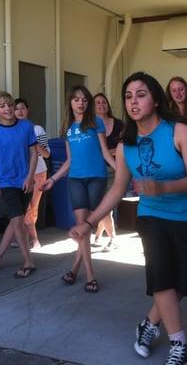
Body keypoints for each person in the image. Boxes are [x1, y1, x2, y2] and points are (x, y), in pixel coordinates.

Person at [69, 72, 187, 365]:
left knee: (181, 283)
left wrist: (162, 187)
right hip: (153, 215)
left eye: (141, 94)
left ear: (156, 99)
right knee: (162, 279)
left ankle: (148, 325)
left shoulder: (179, 130)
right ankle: (179, 346)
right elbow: (117, 189)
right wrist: (89, 222)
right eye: (128, 96)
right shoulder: (125, 145)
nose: (134, 101)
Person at [41, 85, 116, 293]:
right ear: (70, 103)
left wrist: (122, 170)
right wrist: (53, 179)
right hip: (75, 179)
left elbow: (105, 153)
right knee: (81, 226)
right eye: (76, 99)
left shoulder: (96, 123)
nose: (81, 102)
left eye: (84, 99)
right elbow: (69, 161)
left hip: (96, 178)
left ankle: (78, 270)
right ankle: (86, 273)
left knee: (85, 228)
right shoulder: (68, 128)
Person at [0, 91, 38, 278]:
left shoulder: (26, 126)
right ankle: (28, 261)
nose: (8, 109)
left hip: (26, 181)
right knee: (17, 220)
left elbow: (34, 153)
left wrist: (29, 177)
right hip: (6, 182)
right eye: (2, 106)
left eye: (10, 104)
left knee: (15, 221)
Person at [14, 98, 50, 249]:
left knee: (32, 207)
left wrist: (33, 142)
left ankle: (33, 240)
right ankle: (27, 238)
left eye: (22, 108)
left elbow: (47, 154)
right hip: (19, 174)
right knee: (22, 208)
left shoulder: (37, 129)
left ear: (28, 110)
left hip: (38, 173)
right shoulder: (11, 130)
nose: (20, 111)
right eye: (16, 109)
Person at [93, 92, 125, 249]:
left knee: (106, 206)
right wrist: (110, 150)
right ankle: (99, 235)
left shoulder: (119, 124)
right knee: (102, 206)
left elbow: (125, 145)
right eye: (97, 102)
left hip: (114, 169)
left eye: (103, 102)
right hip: (95, 170)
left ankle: (113, 239)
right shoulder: (90, 125)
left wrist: (111, 151)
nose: (101, 104)